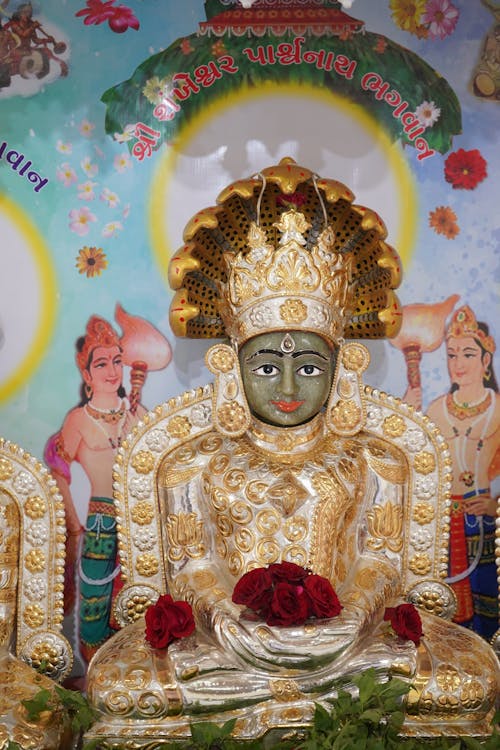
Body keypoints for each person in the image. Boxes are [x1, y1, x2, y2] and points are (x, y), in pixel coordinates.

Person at [86, 160, 499, 742]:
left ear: (341, 368)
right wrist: (227, 618)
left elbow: (380, 559)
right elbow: (192, 566)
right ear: (231, 366)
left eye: (307, 367)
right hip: (225, 648)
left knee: (467, 677)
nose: (285, 389)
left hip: (348, 644)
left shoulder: (375, 458)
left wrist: (353, 615)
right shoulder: (192, 462)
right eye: (265, 365)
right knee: (120, 688)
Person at [45, 316, 146, 663]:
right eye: (101, 363)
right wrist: (73, 524)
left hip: (140, 523)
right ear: (87, 375)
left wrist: (137, 431)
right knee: (94, 613)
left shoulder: (135, 412)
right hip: (100, 523)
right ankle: (96, 684)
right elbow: (57, 470)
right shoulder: (78, 420)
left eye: (117, 360)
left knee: (138, 608)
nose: (112, 371)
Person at [405, 306, 499, 640]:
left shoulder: (498, 409)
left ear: (486, 361)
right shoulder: (435, 409)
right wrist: (407, 417)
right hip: (444, 524)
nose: (458, 363)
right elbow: (417, 465)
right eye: (452, 354)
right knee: (445, 611)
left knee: (489, 602)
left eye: (468, 354)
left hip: (486, 523)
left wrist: (494, 506)